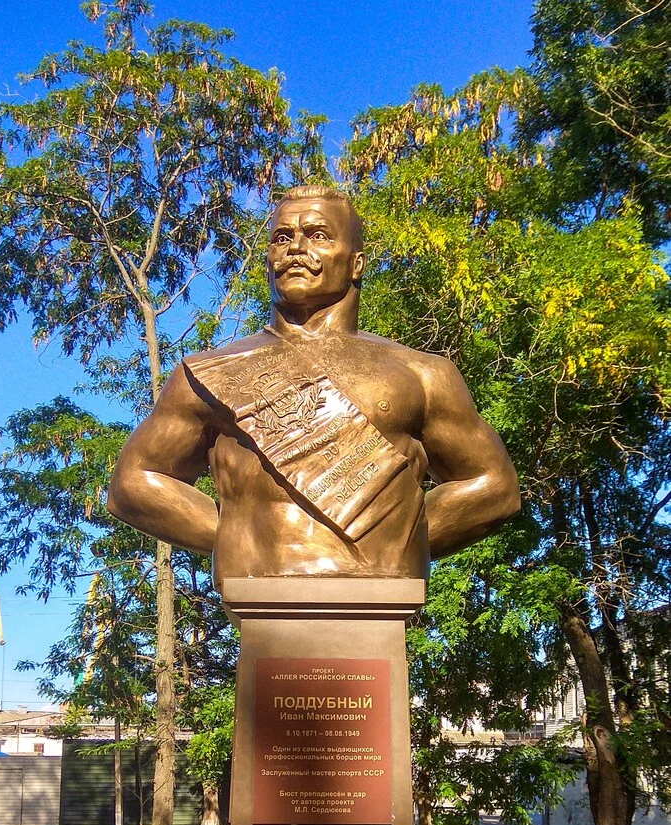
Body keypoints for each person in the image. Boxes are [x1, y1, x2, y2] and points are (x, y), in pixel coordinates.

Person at [108, 185, 520, 584]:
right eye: (281, 238)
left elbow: (493, 488)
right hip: (259, 594)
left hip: (380, 597)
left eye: (318, 235)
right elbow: (134, 482)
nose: (295, 249)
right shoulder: (210, 372)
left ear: (356, 263)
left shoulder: (422, 373)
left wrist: (397, 539)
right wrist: (237, 537)